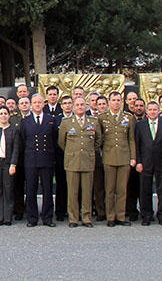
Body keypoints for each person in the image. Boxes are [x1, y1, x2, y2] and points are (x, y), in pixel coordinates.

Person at [59, 97, 103, 228]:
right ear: (73, 107)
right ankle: (73, 218)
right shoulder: (66, 122)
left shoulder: (93, 122)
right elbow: (62, 142)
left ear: (86, 107)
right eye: (77, 105)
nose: (79, 107)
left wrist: (89, 152)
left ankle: (86, 217)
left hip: (88, 161)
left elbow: (98, 140)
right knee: (72, 192)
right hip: (72, 161)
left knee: (87, 191)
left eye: (82, 105)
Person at [20, 94, 58, 227]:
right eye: (34, 102)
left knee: (47, 189)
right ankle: (32, 218)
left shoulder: (50, 120)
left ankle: (47, 218)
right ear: (31, 104)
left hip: (46, 159)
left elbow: (54, 139)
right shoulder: (26, 121)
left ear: (43, 104)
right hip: (30, 160)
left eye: (39, 102)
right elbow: (24, 140)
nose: (37, 104)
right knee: (31, 189)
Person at [97, 92, 136, 227]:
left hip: (124, 157)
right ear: (109, 102)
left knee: (122, 189)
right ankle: (110, 216)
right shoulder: (102, 117)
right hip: (109, 157)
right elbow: (99, 139)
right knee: (109, 189)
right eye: (113, 100)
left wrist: (133, 157)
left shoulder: (128, 117)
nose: (116, 103)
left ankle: (121, 215)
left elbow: (131, 139)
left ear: (122, 102)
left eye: (118, 100)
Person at [135, 102, 162, 226]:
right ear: (147, 111)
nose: (152, 112)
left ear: (158, 111)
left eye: (154, 109)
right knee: (145, 189)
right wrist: (138, 162)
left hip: (161, 162)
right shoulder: (140, 125)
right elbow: (137, 145)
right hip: (145, 163)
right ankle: (146, 215)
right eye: (150, 109)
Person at [0, 106, 19, 226]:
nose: (3, 115)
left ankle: (7, 217)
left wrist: (13, 164)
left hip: (8, 164)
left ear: (9, 115)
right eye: (1, 113)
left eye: (6, 113)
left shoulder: (14, 130)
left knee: (8, 190)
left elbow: (16, 149)